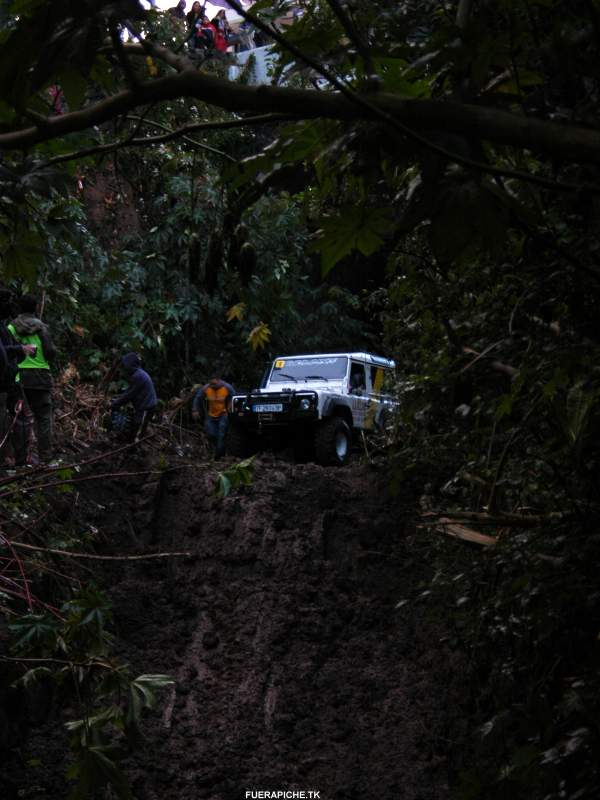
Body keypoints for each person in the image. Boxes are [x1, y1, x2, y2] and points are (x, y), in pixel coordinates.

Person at [7, 294, 57, 466]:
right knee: (43, 417)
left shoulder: (11, 328)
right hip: (41, 376)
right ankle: (46, 459)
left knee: (20, 419)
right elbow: (50, 352)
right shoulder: (42, 327)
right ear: (35, 308)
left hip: (19, 376)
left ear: (19, 308)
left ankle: (21, 461)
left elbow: (7, 351)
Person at [0, 290, 36, 469]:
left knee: (17, 417)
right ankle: (16, 460)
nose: (9, 305)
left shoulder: (7, 326)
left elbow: (7, 349)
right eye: (6, 301)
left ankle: (18, 459)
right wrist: (20, 350)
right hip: (6, 380)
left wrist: (19, 351)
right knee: (17, 417)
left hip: (11, 378)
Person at [111, 353, 158, 442]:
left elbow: (130, 394)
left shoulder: (138, 376)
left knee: (139, 428)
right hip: (143, 405)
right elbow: (129, 392)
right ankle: (131, 444)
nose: (124, 368)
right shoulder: (138, 374)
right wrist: (118, 400)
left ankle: (134, 448)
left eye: (125, 365)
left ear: (130, 365)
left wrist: (115, 403)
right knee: (135, 425)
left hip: (147, 406)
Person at [192, 376, 234, 459]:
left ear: (219, 381)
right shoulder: (206, 388)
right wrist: (195, 410)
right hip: (210, 415)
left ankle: (220, 455)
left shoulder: (227, 387)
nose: (212, 386)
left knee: (221, 433)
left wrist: (230, 407)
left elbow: (234, 397)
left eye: (214, 384)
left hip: (223, 414)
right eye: (211, 384)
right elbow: (197, 398)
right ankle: (215, 450)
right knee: (211, 434)